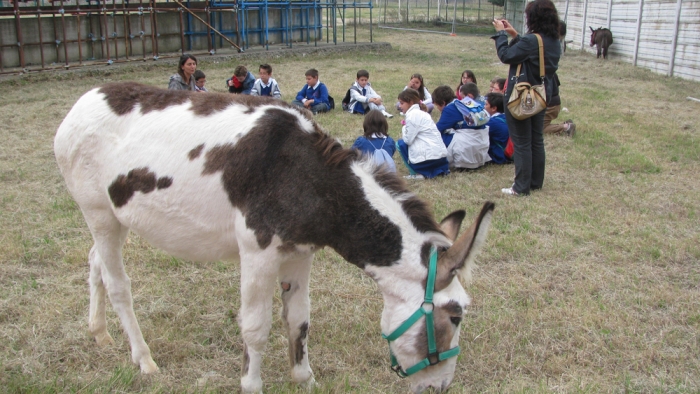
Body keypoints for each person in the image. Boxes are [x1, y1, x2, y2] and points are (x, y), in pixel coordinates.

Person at [492, 0, 562, 196]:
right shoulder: (553, 41)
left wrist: (500, 34)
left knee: (521, 140)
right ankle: (535, 182)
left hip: (521, 96)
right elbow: (532, 54)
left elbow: (506, 55)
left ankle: (520, 187)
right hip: (541, 94)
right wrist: (515, 35)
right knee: (535, 139)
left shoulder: (532, 40)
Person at [433, 85, 491, 170]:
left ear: (443, 102)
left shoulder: (449, 109)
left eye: (438, 106)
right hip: (482, 148)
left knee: (440, 136)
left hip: (467, 152)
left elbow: (436, 130)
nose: (438, 109)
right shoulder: (466, 104)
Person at [396, 89, 449, 180]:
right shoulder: (424, 114)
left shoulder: (412, 115)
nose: (400, 106)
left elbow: (408, 140)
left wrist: (404, 127)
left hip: (427, 160)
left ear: (410, 102)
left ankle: (417, 172)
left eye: (402, 103)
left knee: (400, 144)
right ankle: (436, 170)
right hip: (441, 158)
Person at [483, 92, 511, 164]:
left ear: (494, 108)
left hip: (499, 156)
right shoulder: (508, 118)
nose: (484, 107)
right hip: (511, 152)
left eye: (486, 104)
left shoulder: (492, 122)